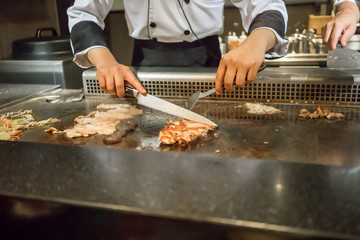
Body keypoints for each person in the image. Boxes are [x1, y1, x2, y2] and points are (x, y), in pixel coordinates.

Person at [67, 0, 288, 98]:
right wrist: (105, 62)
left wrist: (256, 42)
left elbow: (266, 5)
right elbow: (84, 13)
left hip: (209, 65)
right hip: (144, 66)